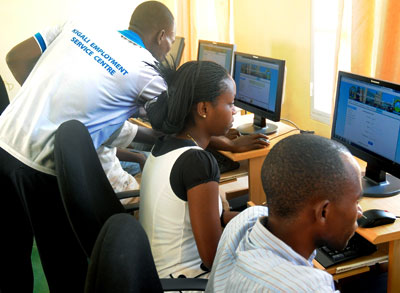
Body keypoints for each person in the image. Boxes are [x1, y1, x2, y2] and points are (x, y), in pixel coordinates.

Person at [0, 1, 175, 292]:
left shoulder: (80, 25)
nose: (170, 47)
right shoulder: (147, 72)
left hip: (3, 138)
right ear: (160, 36)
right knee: (66, 267)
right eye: (171, 38)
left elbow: (16, 58)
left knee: (10, 259)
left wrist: (46, 102)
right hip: (41, 167)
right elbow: (174, 124)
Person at [206, 134, 363, 292]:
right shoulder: (307, 288)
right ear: (323, 212)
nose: (360, 213)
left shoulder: (245, 219)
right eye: (356, 202)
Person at [140, 61, 243, 280]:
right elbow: (213, 259)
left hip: (157, 275)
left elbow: (209, 217)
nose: (235, 111)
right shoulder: (197, 162)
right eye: (230, 103)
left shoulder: (166, 143)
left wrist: (257, 219)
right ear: (204, 109)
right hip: (185, 281)